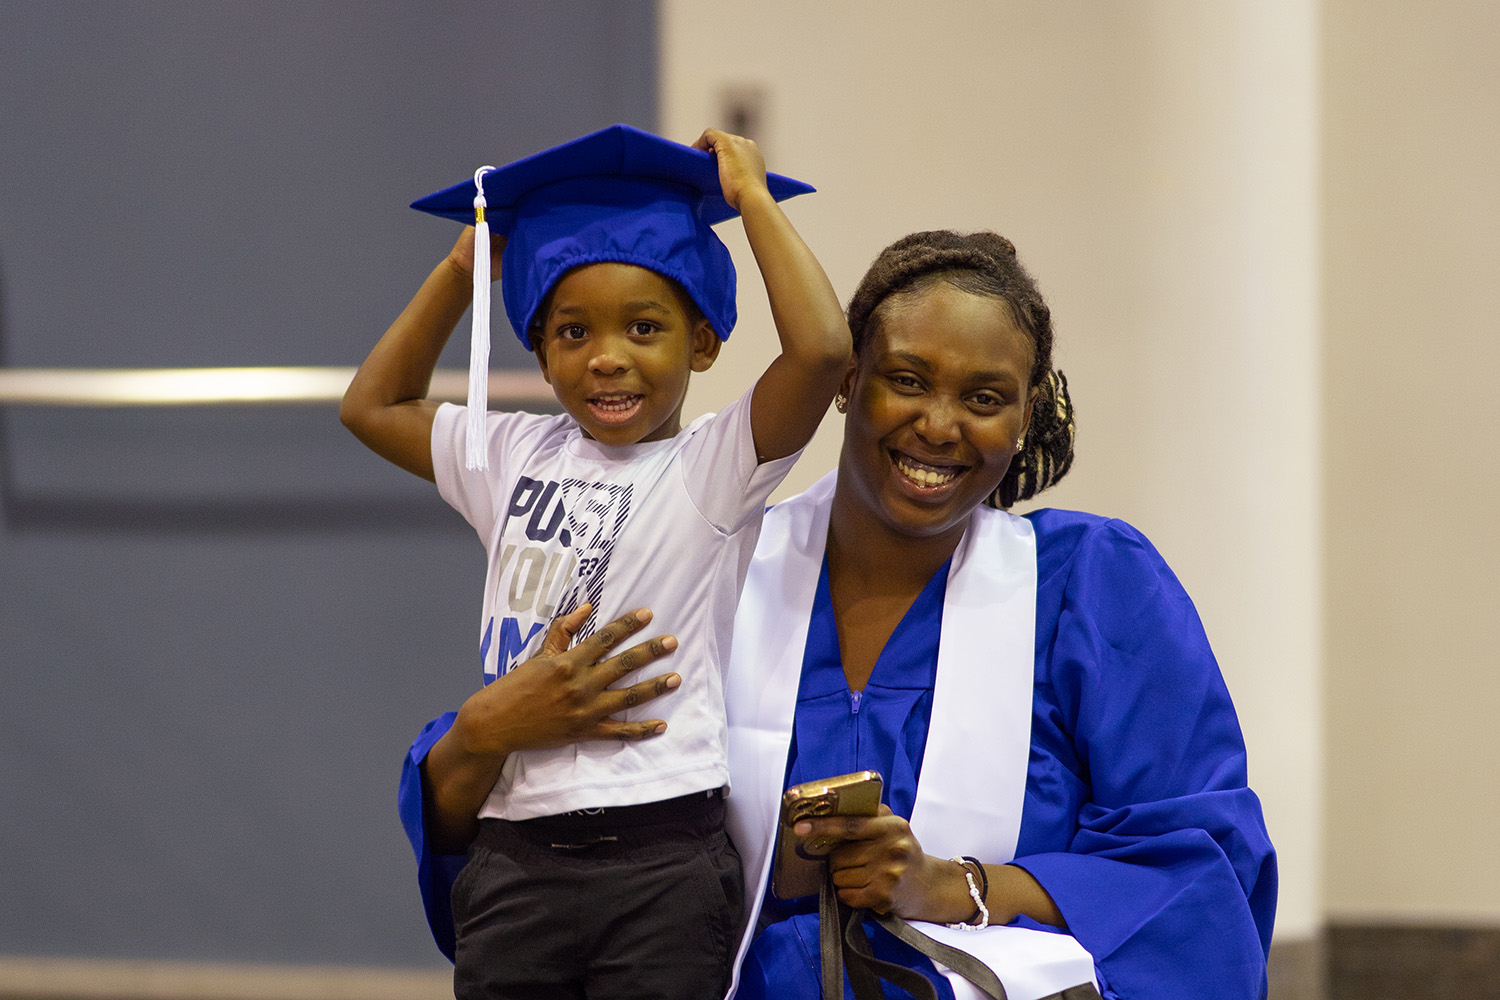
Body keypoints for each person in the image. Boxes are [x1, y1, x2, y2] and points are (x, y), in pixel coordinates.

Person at [400, 230, 1278, 1000]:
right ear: (846, 383)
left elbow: (1195, 869)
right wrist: (477, 733)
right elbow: (514, 835)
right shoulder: (709, 559)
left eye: (985, 398)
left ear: (1024, 415)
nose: (940, 425)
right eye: (907, 380)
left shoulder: (1090, 586)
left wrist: (954, 887)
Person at [343, 124, 850, 999]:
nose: (606, 356)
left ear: (703, 343)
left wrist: (754, 203)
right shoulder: (509, 456)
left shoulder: (711, 470)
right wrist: (464, 270)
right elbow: (371, 403)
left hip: (662, 861)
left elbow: (822, 352)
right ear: (540, 351)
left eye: (645, 328)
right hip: (514, 856)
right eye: (572, 331)